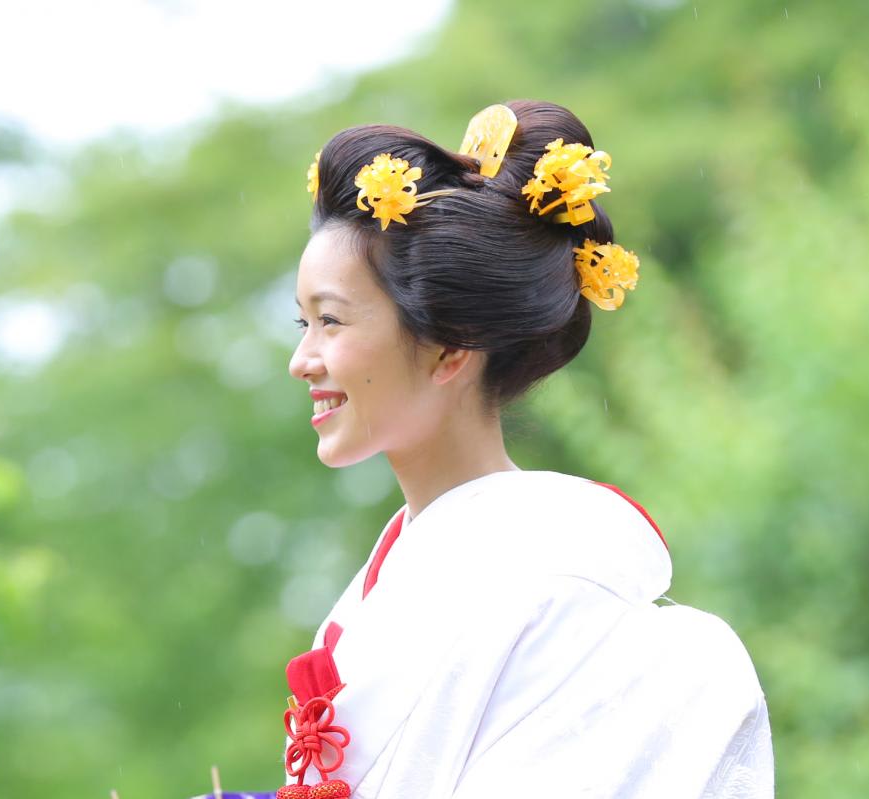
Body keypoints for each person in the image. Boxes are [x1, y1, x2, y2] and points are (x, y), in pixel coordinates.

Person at [280, 100, 773, 799]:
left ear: (449, 348)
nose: (302, 360)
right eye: (302, 324)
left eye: (331, 321)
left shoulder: (557, 579)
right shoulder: (380, 584)